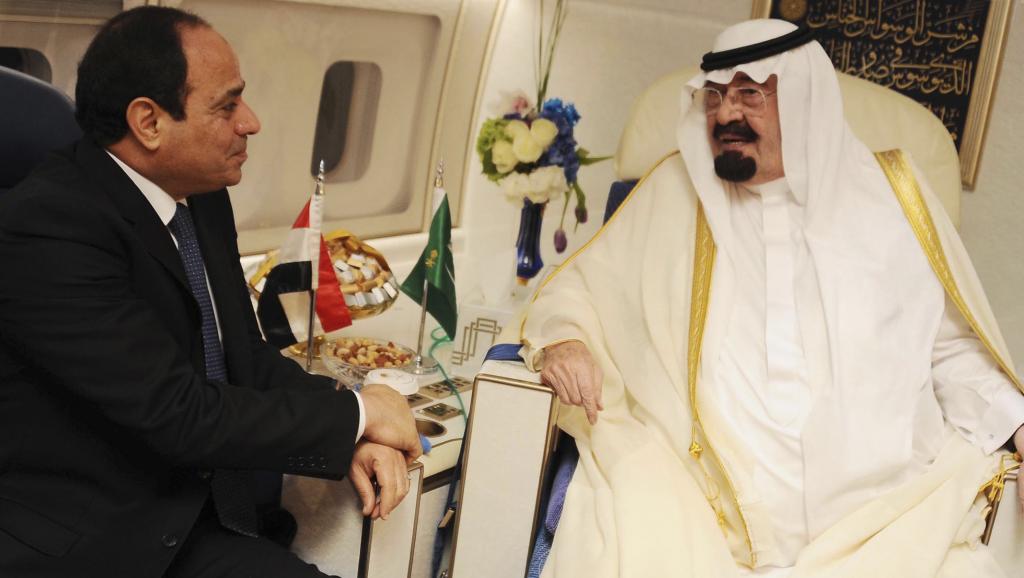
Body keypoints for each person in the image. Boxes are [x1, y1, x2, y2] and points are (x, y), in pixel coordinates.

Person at [522, 19, 1024, 578]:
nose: (725, 115)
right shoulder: (675, 193)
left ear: (803, 98)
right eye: (715, 97)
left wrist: (1018, 424)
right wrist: (565, 341)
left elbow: (950, 350)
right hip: (701, 508)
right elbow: (579, 287)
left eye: (749, 94)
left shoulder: (895, 198)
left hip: (886, 515)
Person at [0, 7, 420, 578]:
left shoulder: (199, 196)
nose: (251, 122)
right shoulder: (50, 226)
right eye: (227, 106)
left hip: (202, 513)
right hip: (104, 541)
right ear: (148, 122)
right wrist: (360, 412)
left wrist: (354, 427)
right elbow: (178, 414)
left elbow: (243, 356)